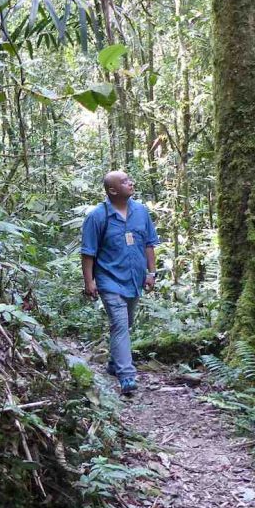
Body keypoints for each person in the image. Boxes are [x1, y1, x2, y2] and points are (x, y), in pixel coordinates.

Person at [80, 170, 160, 396]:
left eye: (129, 179)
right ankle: (127, 376)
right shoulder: (97, 217)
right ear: (113, 190)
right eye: (125, 182)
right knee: (120, 324)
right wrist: (89, 282)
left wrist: (151, 273)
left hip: (134, 279)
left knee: (127, 322)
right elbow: (88, 253)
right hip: (109, 280)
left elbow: (149, 244)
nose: (131, 183)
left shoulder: (141, 212)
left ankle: (114, 364)